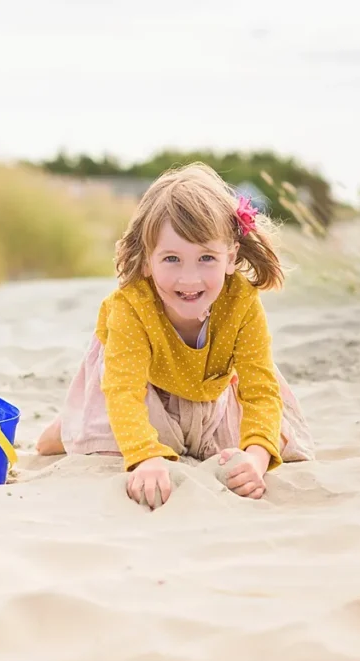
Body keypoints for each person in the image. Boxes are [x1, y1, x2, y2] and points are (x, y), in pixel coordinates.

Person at [36, 163, 314, 508]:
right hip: (143, 387)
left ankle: (91, 423)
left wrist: (256, 458)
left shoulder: (241, 302)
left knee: (275, 444)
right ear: (147, 260)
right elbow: (124, 391)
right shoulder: (130, 307)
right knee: (99, 437)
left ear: (231, 258)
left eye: (206, 258)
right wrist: (146, 458)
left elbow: (259, 388)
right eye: (171, 259)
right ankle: (70, 424)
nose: (189, 279)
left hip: (208, 392)